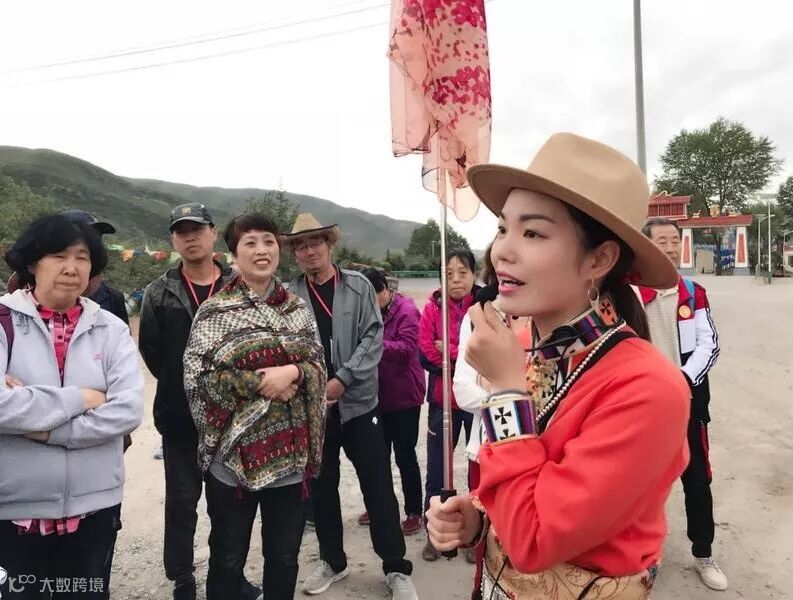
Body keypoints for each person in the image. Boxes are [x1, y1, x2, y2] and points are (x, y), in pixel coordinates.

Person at [426, 133, 690, 600]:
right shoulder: (521, 346)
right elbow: (520, 487)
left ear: (599, 259)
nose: (501, 252)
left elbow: (535, 538)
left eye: (532, 233)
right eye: (502, 229)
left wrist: (506, 391)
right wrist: (478, 518)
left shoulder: (648, 387)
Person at [183, 213, 327, 600]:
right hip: (232, 462)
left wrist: (293, 372)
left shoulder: (297, 308)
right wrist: (264, 382)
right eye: (250, 243)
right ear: (234, 254)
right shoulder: (214, 311)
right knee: (227, 558)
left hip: (290, 458)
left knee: (284, 557)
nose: (261, 250)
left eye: (269, 241)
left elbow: (317, 365)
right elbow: (199, 380)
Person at [0, 214, 144, 600]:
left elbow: (128, 410)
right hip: (13, 513)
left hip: (93, 510)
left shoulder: (111, 328)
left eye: (82, 257)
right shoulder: (2, 321)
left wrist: (45, 429)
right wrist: (81, 398)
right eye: (59, 255)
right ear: (33, 262)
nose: (71, 267)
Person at [284, 213, 417, 600]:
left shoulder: (358, 286)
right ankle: (333, 561)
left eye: (315, 242)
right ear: (295, 253)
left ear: (330, 245)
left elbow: (373, 337)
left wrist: (342, 379)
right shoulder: (290, 294)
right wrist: (311, 385)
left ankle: (395, 566)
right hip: (315, 409)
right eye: (301, 246)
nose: (309, 251)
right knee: (322, 488)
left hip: (359, 405)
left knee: (378, 485)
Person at [138, 203, 260, 600]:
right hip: (179, 417)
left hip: (232, 417)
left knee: (230, 504)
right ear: (173, 240)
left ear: (212, 233)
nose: (190, 237)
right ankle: (182, 576)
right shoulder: (159, 292)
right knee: (182, 501)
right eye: (181, 231)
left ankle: (230, 574)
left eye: (197, 229)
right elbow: (153, 352)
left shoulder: (239, 285)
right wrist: (185, 386)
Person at [639, 217, 727, 591]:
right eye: (662, 241)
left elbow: (709, 344)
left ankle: (703, 554)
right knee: (643, 485)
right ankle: (645, 556)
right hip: (643, 408)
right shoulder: (630, 295)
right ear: (646, 245)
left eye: (675, 240)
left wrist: (680, 380)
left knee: (697, 479)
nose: (671, 248)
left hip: (688, 404)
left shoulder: (692, 292)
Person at [453, 244, 531, 567]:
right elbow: (462, 391)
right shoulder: (478, 320)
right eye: (502, 231)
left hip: (537, 460)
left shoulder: (552, 321)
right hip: (484, 450)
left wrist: (496, 384)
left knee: (523, 541)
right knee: (490, 550)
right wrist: (516, 395)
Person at [418, 247, 479, 562]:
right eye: (449, 273)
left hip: (476, 403)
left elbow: (485, 352)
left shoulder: (485, 306)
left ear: (474, 275)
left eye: (462, 272)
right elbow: (426, 354)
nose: (456, 279)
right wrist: (464, 355)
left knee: (479, 469)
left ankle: (476, 532)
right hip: (442, 402)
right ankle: (434, 534)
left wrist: (451, 351)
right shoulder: (432, 308)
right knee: (437, 470)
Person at [357, 267, 426, 537]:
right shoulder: (367, 311)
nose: (368, 304)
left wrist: (374, 345)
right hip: (376, 396)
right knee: (378, 456)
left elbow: (408, 348)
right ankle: (380, 507)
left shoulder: (406, 310)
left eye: (372, 297)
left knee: (405, 456)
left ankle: (413, 511)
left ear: (385, 290)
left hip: (405, 396)